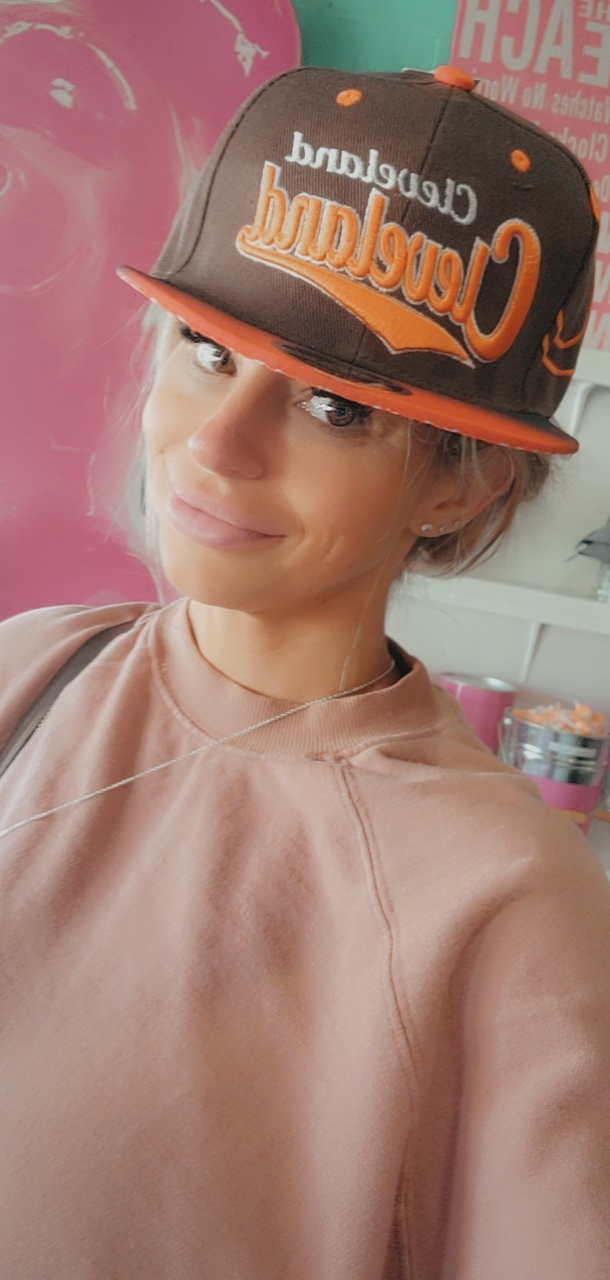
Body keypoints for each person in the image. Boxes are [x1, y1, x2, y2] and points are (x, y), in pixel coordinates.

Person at [0, 63, 609, 1279]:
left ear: (461, 486)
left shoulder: (505, 902)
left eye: (337, 407)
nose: (217, 443)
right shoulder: (36, 662)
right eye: (206, 349)